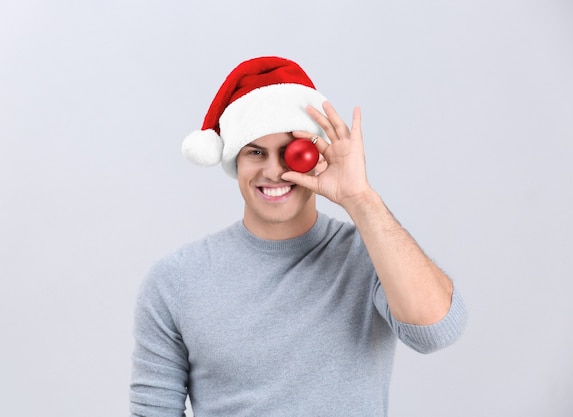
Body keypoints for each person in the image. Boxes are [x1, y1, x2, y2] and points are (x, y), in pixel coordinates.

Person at [129, 56, 467, 417]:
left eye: (291, 152)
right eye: (255, 152)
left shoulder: (371, 256)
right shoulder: (175, 279)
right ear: (235, 163)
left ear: (314, 156)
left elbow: (435, 332)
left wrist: (361, 199)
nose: (273, 171)